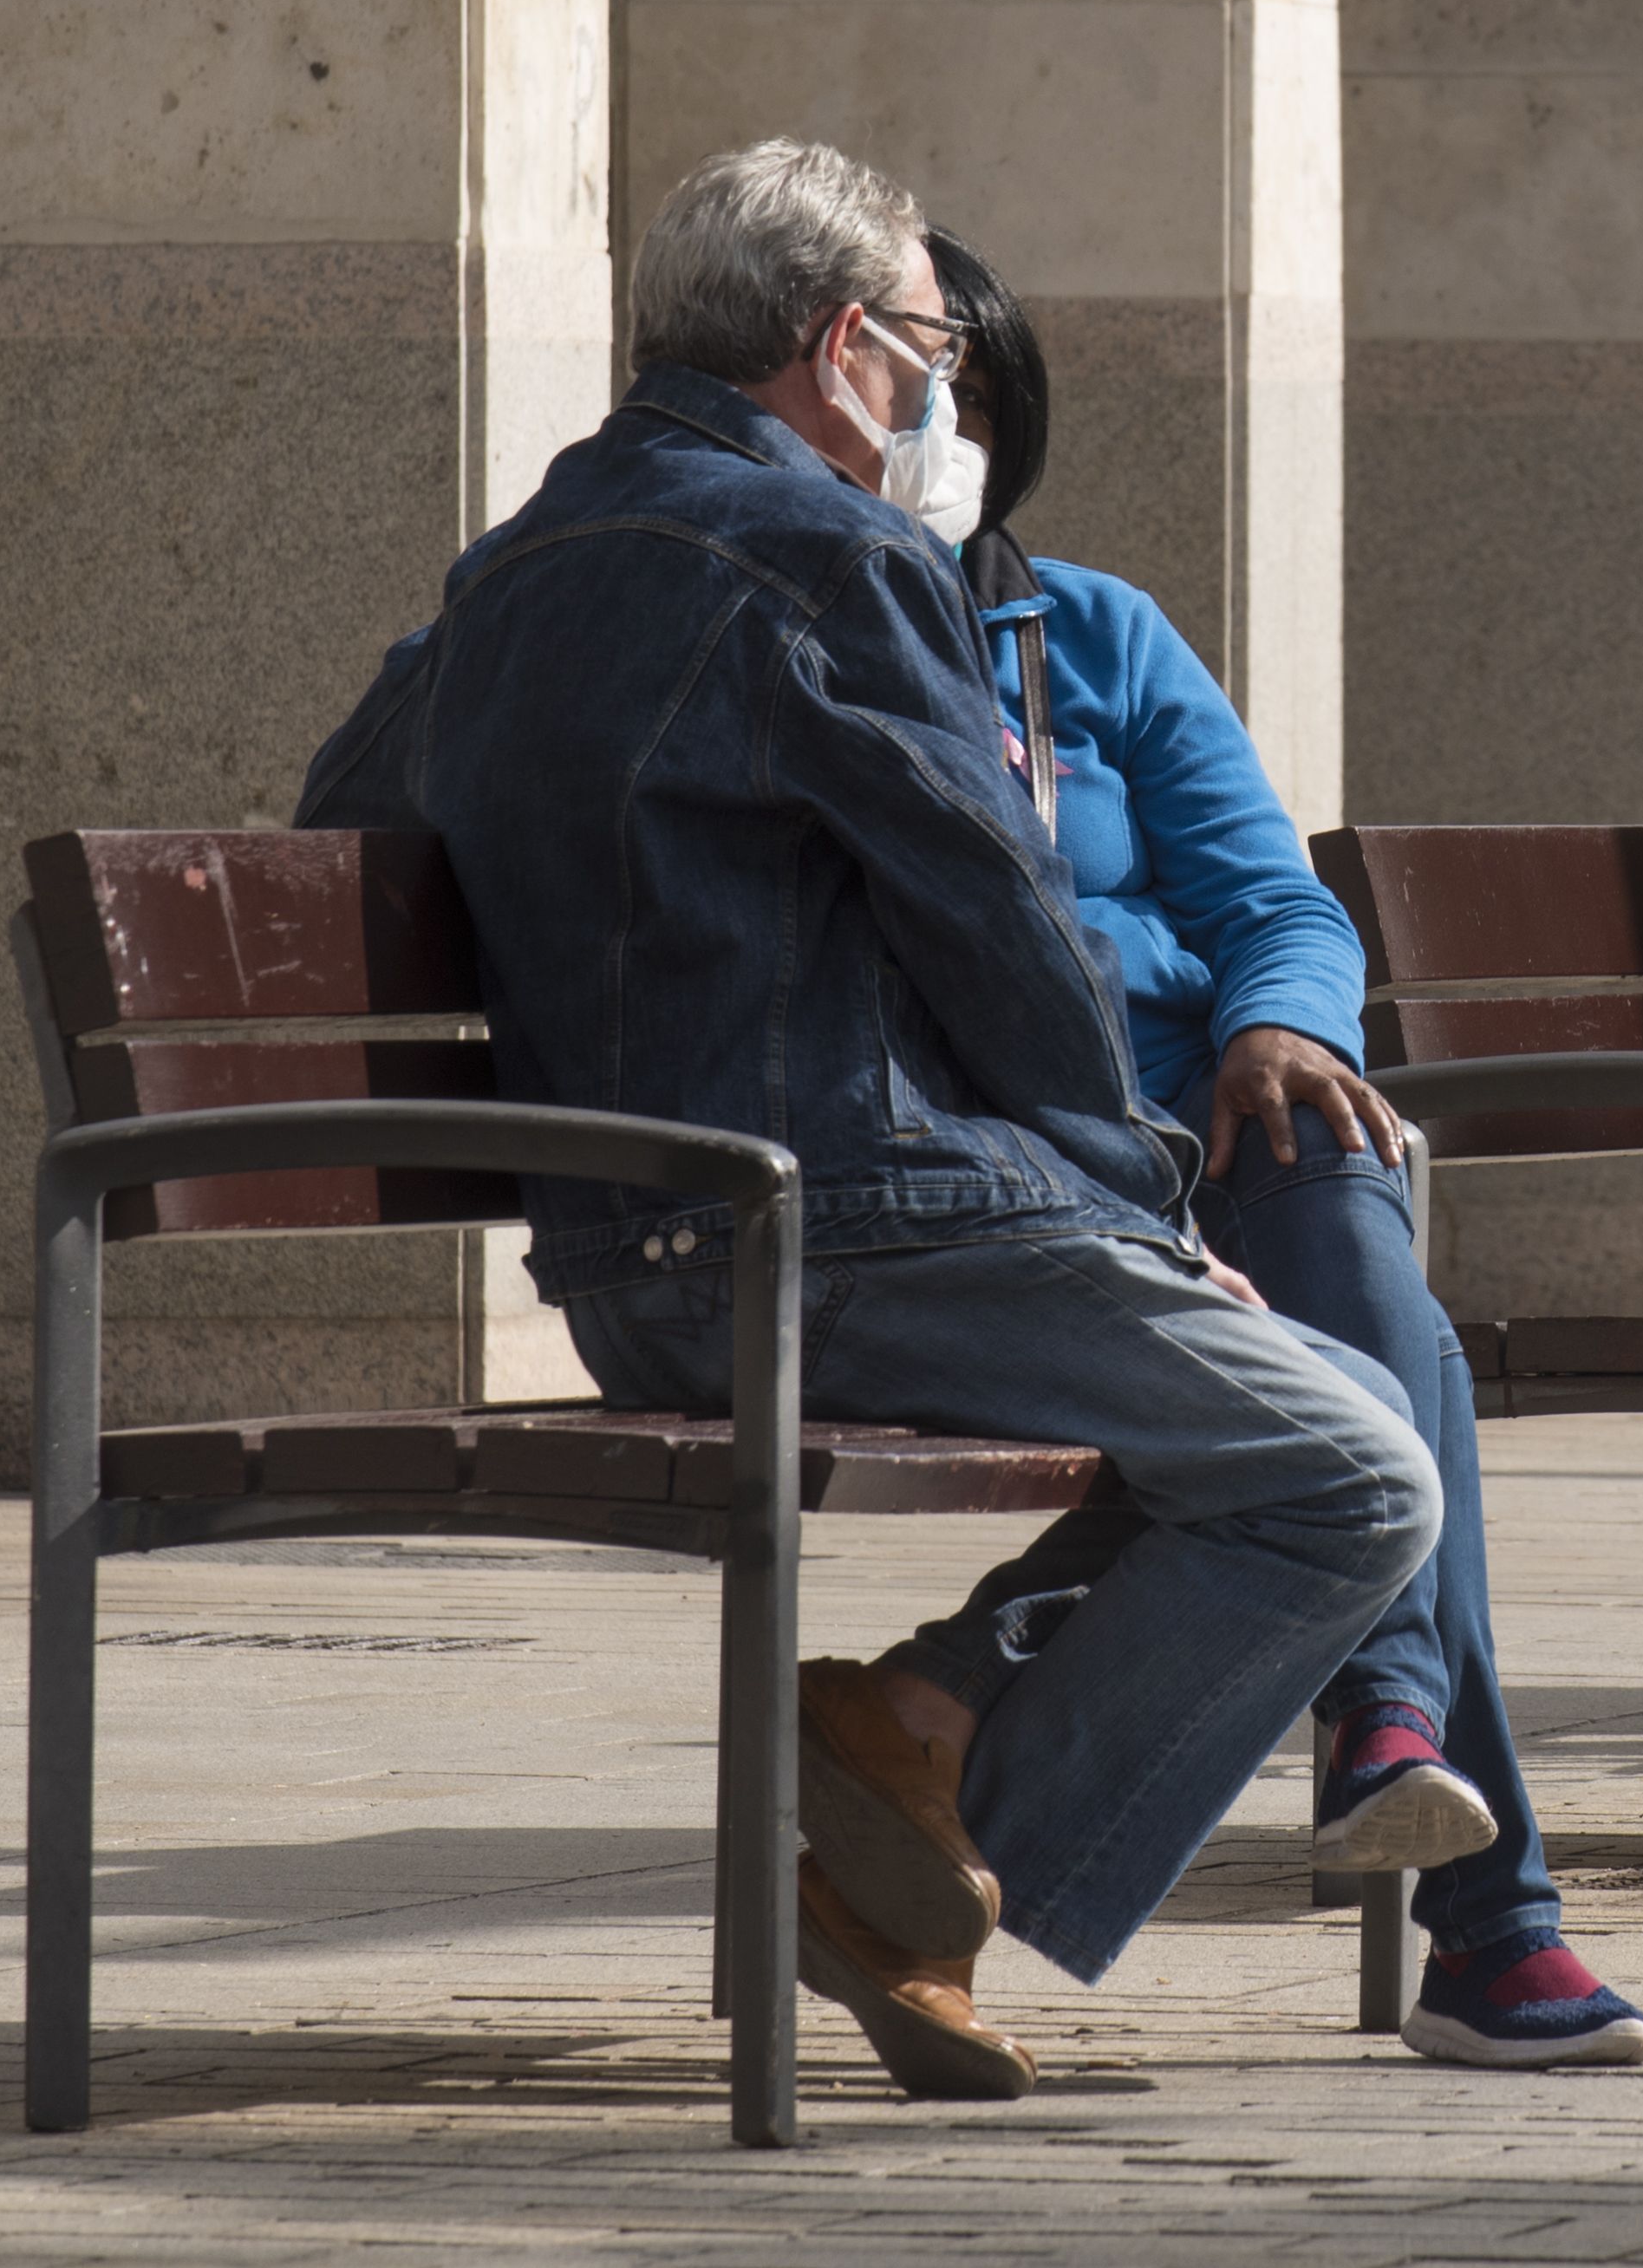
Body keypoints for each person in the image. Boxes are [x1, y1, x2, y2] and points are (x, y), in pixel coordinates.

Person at [296, 140, 1443, 2102]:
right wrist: (1144, 1192)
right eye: (926, 346)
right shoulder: (835, 555)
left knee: (1229, 1428)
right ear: (842, 347)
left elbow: (340, 817)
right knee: (1348, 1464)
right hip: (842, 1221)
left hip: (626, 1256)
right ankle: (923, 1842)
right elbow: (1001, 923)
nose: (937, 394)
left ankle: (913, 1738)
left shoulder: (513, 564)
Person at [916, 225, 1643, 2070]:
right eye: (915, 390)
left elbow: (1276, 892)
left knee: (1337, 1183)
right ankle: (1472, 1893)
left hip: (1225, 1115)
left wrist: (1276, 1021)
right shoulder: (816, 641)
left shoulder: (1086, 626)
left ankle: (1405, 1761)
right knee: (1401, 1373)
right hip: (1031, 1163)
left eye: (979, 395)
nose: (946, 428)